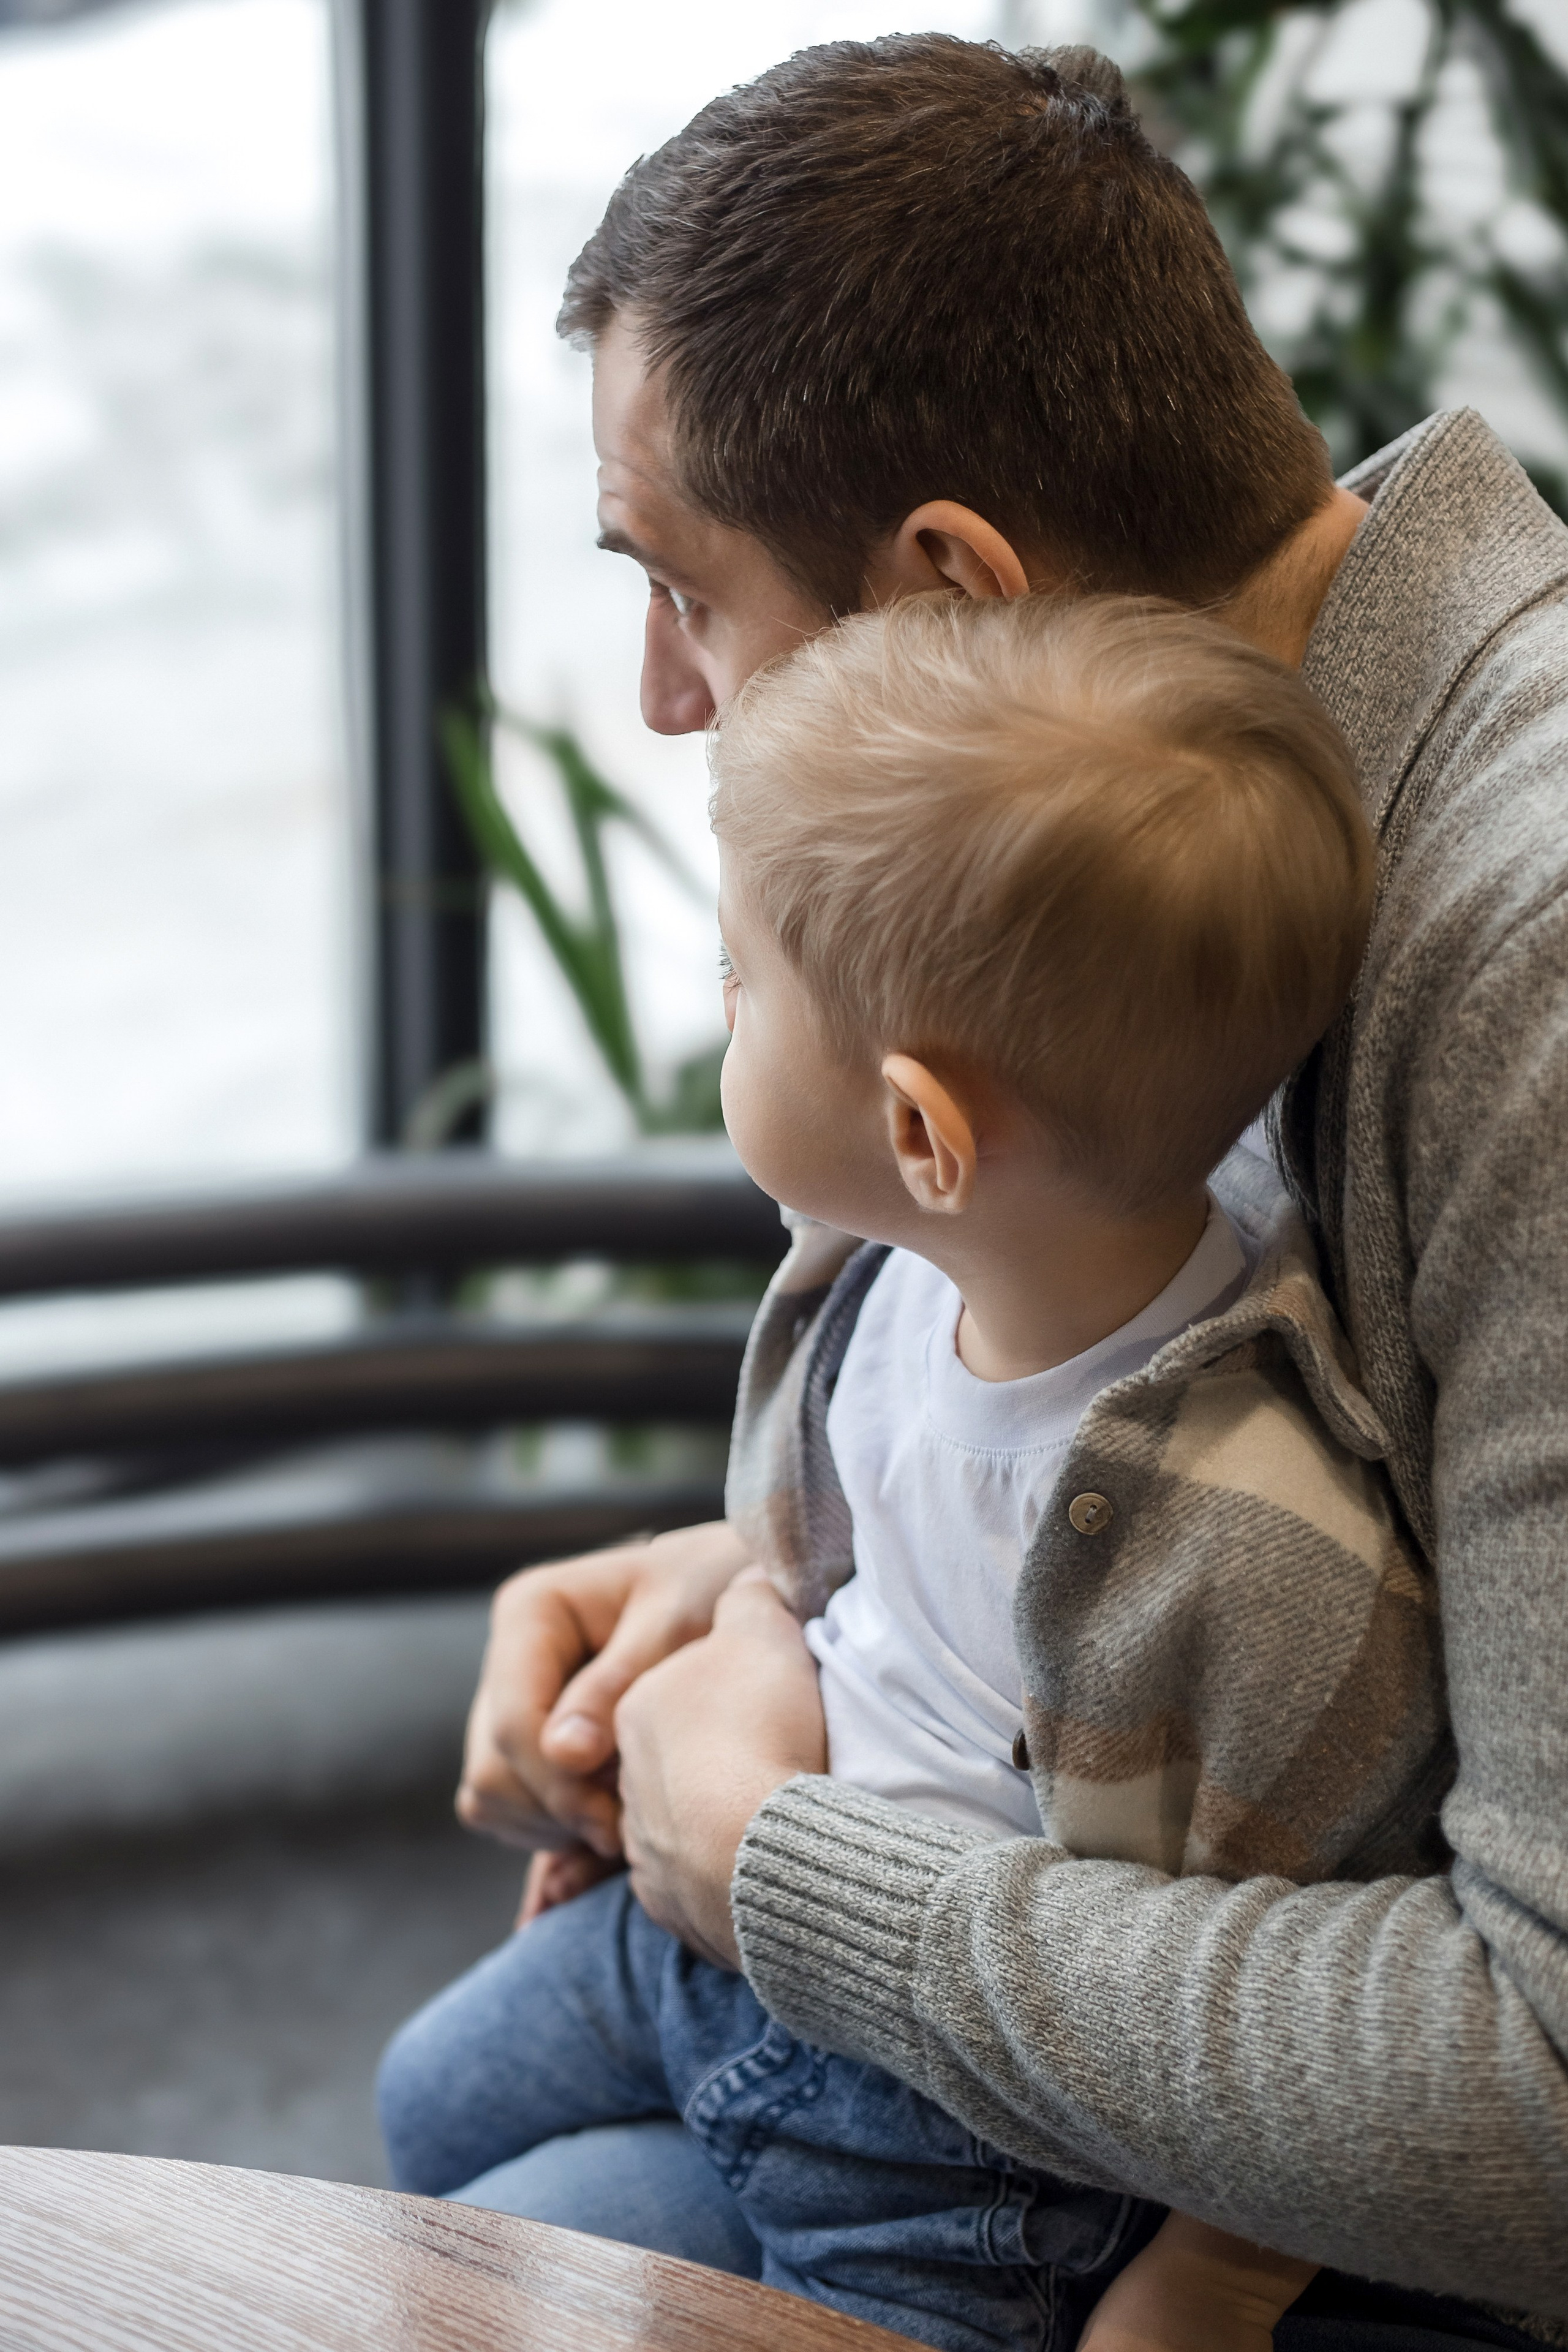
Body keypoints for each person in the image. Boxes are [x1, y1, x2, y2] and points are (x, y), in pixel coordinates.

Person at [443, 36, 1568, 2342]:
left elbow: (1543, 2096)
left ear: (954, 587)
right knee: (500, 2172)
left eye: (681, 587)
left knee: (516, 2258)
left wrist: (783, 1865)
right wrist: (776, 1584)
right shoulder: (1126, 845)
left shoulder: (1529, 965)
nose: (667, 700)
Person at [382, 591, 1450, 2351]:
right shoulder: (886, 1272)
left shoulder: (1250, 1537)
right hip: (724, 1936)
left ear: (921, 1132)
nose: (717, 1017)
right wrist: (687, 1731)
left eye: (741, 990)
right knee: (432, 2100)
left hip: (960, 2158)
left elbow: (1310, 1964)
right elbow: (851, 1555)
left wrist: (1212, 2281)